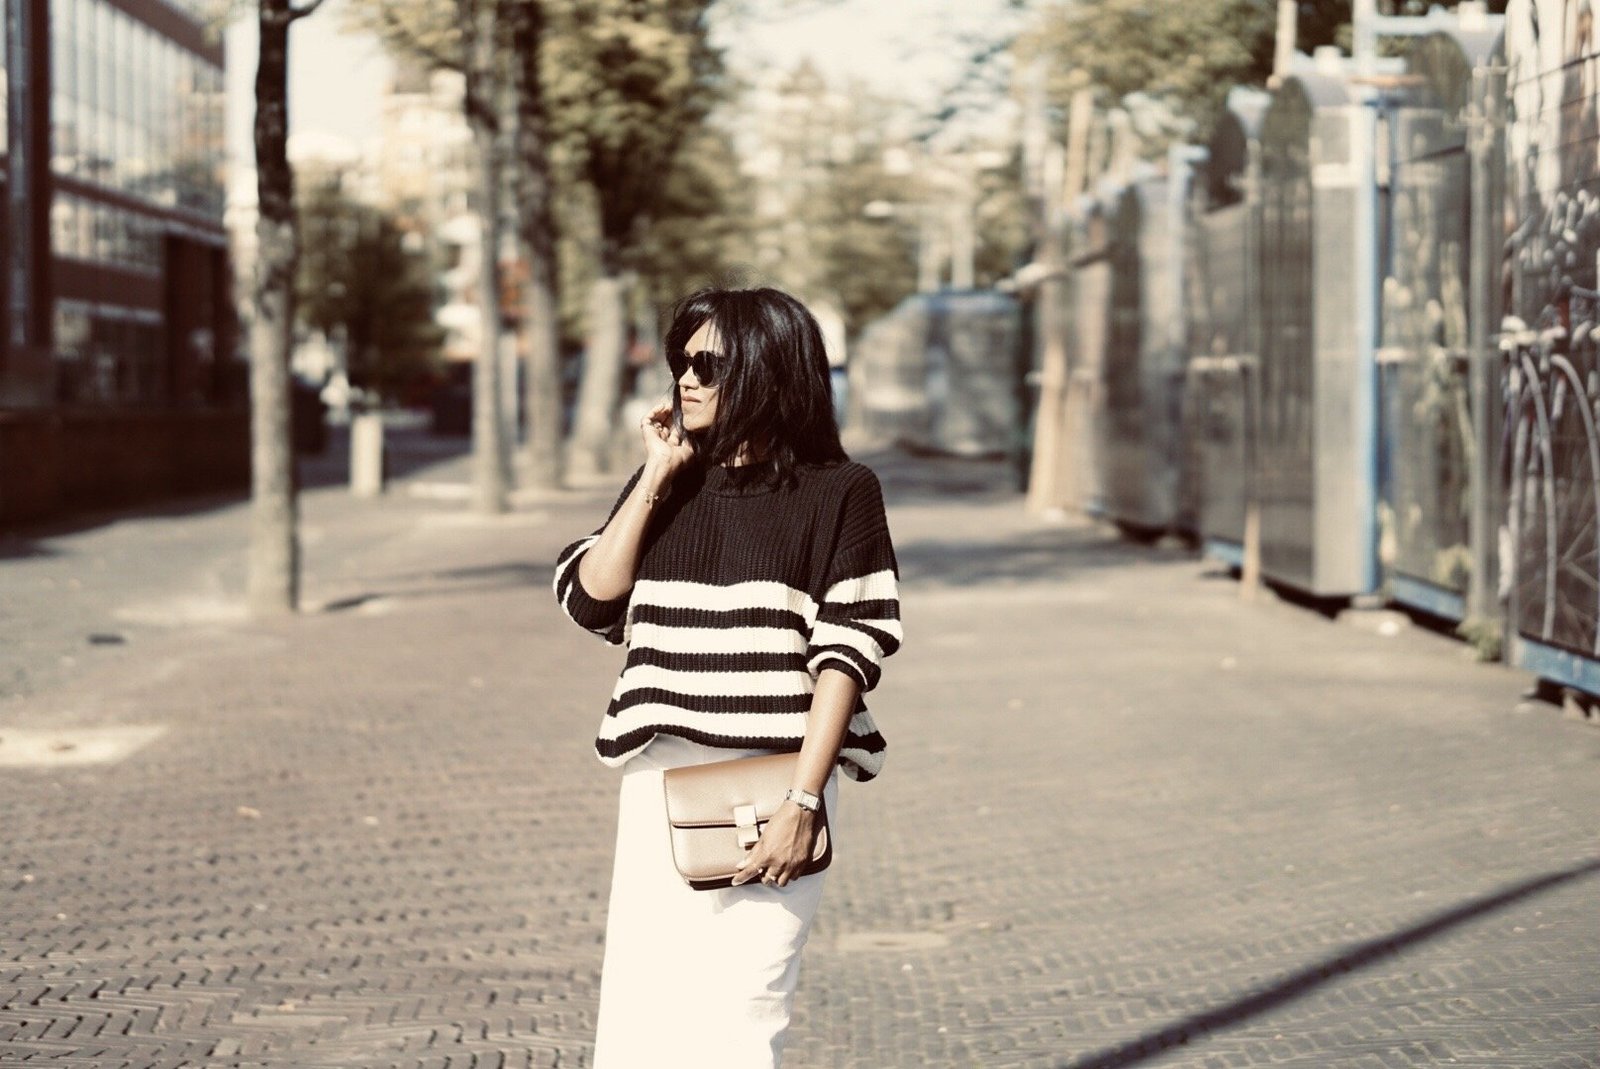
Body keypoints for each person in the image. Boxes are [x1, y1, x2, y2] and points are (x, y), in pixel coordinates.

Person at [552, 286, 903, 1068]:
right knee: (644, 1011)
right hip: (660, 780)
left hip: (778, 781)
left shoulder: (841, 492)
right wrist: (654, 475)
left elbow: (847, 654)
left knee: (744, 1013)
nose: (686, 378)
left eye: (707, 363)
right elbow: (589, 598)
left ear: (766, 371)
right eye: (682, 359)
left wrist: (804, 802)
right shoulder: (670, 481)